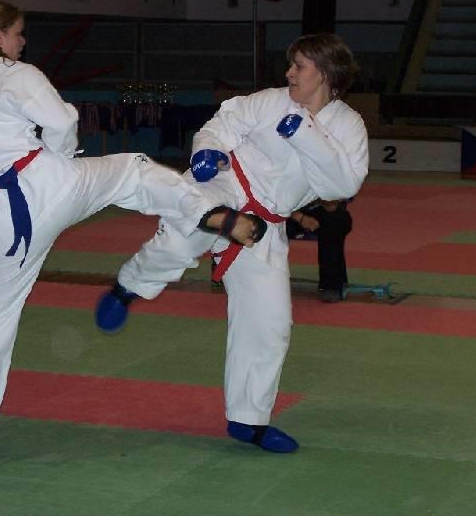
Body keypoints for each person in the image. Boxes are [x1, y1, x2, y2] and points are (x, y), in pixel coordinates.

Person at [0, 0, 265, 460]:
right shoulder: (15, 73)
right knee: (132, 170)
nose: (24, 42)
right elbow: (63, 121)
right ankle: (208, 213)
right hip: (44, 182)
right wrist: (62, 156)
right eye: (19, 33)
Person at [96, 33, 368, 453]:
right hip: (224, 186)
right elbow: (223, 123)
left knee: (270, 324)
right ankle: (127, 285)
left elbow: (342, 184)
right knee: (177, 244)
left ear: (326, 74)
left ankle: (248, 421)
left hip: (265, 224)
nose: (289, 73)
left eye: (299, 66)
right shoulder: (271, 100)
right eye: (291, 64)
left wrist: (305, 133)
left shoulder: (348, 127)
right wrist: (207, 151)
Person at [287, 199, 353, 302]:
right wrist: (299, 217)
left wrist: (327, 202)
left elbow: (337, 197)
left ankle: (331, 284)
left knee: (337, 219)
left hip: (314, 206)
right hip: (278, 211)